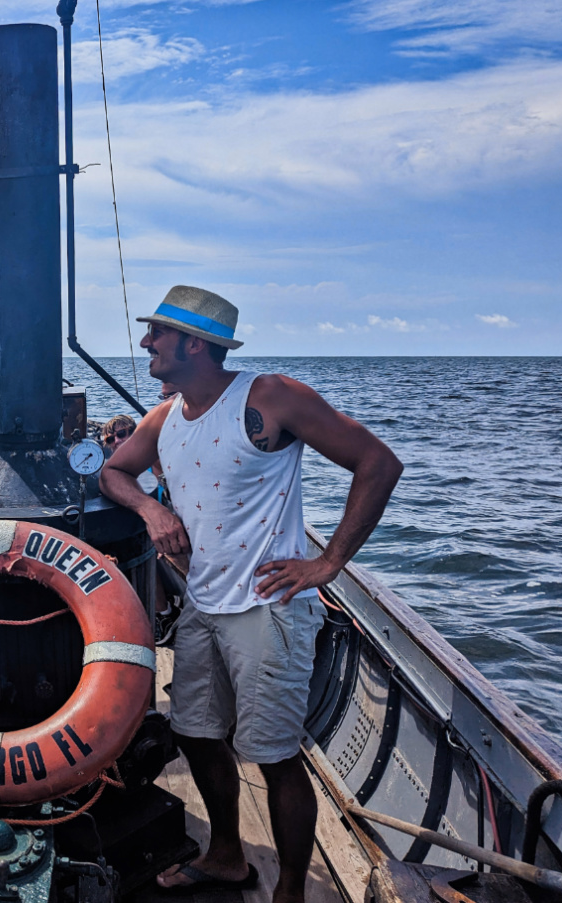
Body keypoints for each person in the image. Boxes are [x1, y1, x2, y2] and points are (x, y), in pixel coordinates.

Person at [99, 286, 402, 903]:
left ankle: (291, 889)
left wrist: (329, 562)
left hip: (267, 609)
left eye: (156, 333)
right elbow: (112, 471)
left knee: (274, 754)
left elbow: (377, 462)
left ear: (194, 343)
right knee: (196, 733)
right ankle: (228, 856)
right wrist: (153, 515)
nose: (145, 343)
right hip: (202, 607)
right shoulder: (165, 416)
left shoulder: (268, 397)